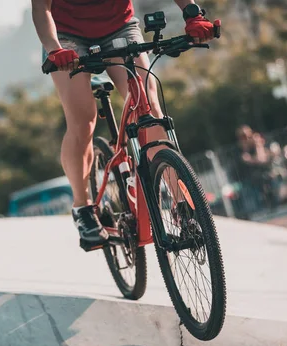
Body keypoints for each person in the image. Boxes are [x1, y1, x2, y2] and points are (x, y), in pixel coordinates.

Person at [31, 0, 216, 247]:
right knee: (83, 120)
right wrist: (54, 49)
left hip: (119, 27)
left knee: (148, 106)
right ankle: (83, 208)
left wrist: (193, 14)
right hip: (66, 37)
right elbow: (41, 8)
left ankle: (182, 204)